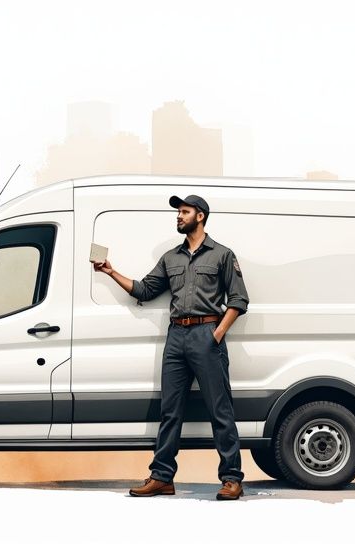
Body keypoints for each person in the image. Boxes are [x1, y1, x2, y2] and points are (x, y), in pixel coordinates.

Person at [94, 194, 250, 500]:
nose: (179, 216)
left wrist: (217, 333)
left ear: (200, 216)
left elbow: (239, 299)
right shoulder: (171, 258)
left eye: (184, 212)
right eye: (178, 212)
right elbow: (145, 290)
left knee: (220, 410)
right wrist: (110, 271)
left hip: (207, 335)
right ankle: (162, 477)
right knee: (170, 412)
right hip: (176, 338)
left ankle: (232, 478)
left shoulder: (222, 255)